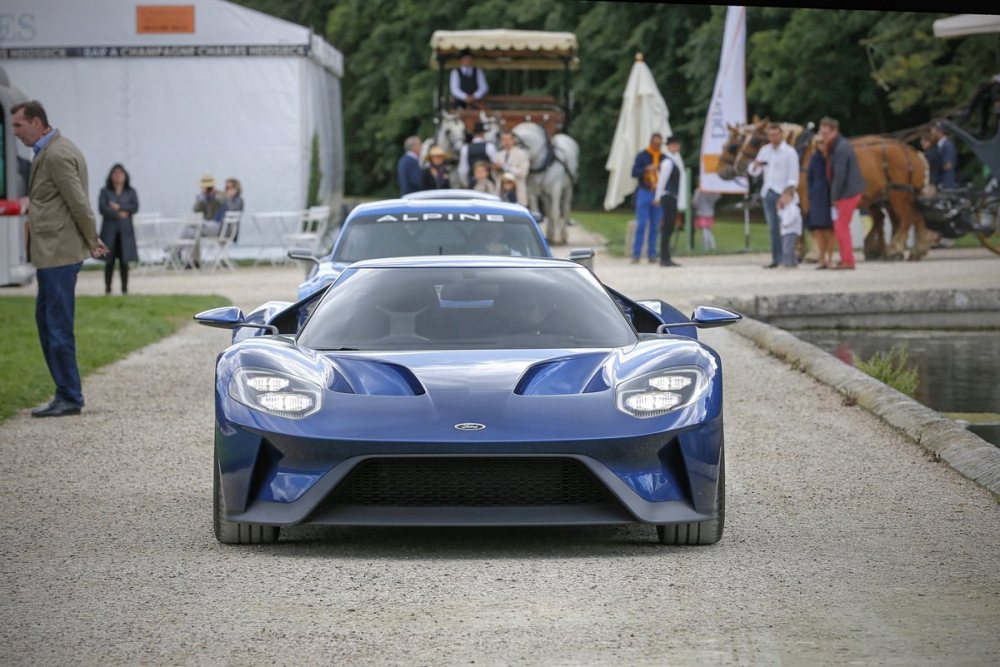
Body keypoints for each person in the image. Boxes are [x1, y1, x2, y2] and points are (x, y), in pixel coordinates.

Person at [11, 100, 108, 418]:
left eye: (18, 126)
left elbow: (78, 202)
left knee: (57, 326)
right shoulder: (50, 150)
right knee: (47, 323)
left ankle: (69, 395)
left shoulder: (56, 154)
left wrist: (92, 240)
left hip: (59, 254)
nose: (15, 133)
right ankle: (65, 393)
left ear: (37, 122)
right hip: (52, 253)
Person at [748, 123, 800, 269]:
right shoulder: (765, 151)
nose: (773, 138)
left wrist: (788, 193)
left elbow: (793, 175)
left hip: (782, 192)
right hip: (768, 191)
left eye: (776, 135)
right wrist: (755, 165)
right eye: (770, 135)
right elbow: (754, 172)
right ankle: (776, 257)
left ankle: (788, 256)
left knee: (786, 226)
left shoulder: (789, 152)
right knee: (773, 227)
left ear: (781, 134)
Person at [819, 116, 866, 270]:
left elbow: (840, 175)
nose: (823, 137)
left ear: (834, 131)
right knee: (841, 226)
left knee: (841, 226)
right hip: (848, 191)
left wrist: (834, 197)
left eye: (826, 133)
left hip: (847, 192)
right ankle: (846, 258)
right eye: (822, 133)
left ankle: (848, 261)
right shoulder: (838, 145)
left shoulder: (840, 148)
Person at [98, 163, 139, 294]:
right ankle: (108, 288)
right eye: (115, 173)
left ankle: (124, 288)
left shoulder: (130, 191)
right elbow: (102, 208)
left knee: (124, 262)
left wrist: (119, 207)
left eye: (121, 173)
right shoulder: (105, 191)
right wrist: (119, 213)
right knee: (109, 261)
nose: (118, 176)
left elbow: (135, 207)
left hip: (125, 232)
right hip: (110, 232)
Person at [629, 132, 664, 263]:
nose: (657, 146)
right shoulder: (642, 156)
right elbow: (633, 172)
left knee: (655, 226)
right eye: (655, 144)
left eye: (659, 144)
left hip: (658, 192)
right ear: (651, 143)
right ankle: (636, 254)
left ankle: (652, 253)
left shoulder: (663, 158)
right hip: (644, 191)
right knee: (641, 224)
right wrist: (646, 169)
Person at [654, 135, 683, 267]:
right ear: (670, 146)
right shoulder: (667, 162)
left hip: (671, 197)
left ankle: (666, 256)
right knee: (667, 228)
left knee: (669, 227)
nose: (677, 147)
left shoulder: (672, 160)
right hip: (668, 197)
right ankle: (664, 258)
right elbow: (662, 181)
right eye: (674, 145)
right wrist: (657, 197)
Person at [806, 141, 835, 269]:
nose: (822, 145)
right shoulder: (814, 159)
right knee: (819, 229)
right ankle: (821, 258)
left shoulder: (833, 157)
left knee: (830, 229)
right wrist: (811, 194)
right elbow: (809, 179)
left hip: (831, 195)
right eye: (819, 143)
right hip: (818, 196)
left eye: (823, 143)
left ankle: (830, 258)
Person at [493, 130, 530, 205]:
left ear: (513, 140)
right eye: (503, 140)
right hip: (501, 192)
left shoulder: (522, 154)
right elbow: (495, 175)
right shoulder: (498, 154)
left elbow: (523, 173)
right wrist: (496, 169)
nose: (506, 142)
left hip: (517, 192)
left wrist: (506, 167)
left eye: (508, 139)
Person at [458, 122, 497, 189]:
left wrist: (466, 184)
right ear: (483, 134)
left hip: (472, 182)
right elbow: (495, 165)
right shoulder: (490, 147)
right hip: (487, 183)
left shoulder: (465, 148)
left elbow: (462, 170)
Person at [777, 189, 802, 268]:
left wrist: (786, 224)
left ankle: (787, 262)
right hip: (785, 231)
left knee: (787, 248)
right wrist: (779, 210)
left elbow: (794, 217)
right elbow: (782, 217)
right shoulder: (786, 208)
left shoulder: (794, 207)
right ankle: (793, 262)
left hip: (791, 230)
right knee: (788, 247)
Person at [930, 122, 957, 189]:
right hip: (940, 183)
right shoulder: (938, 146)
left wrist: (934, 167)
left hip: (946, 183)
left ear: (940, 132)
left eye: (933, 131)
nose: (931, 134)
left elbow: (948, 165)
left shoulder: (948, 145)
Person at [691, 187, 719, 251]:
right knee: (708, 230)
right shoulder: (711, 190)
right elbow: (716, 197)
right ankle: (712, 245)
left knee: (704, 230)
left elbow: (695, 202)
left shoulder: (699, 191)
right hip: (710, 213)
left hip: (702, 213)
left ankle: (706, 246)